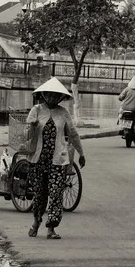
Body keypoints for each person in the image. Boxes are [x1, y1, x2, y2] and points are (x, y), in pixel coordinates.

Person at [24, 77, 86, 240]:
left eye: (55, 96)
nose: (51, 98)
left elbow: (72, 133)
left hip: (58, 160)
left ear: (60, 98)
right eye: (49, 95)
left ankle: (51, 228)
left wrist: (81, 153)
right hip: (37, 160)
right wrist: (33, 126)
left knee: (56, 193)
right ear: (43, 95)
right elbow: (27, 134)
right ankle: (36, 221)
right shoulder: (36, 110)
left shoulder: (63, 113)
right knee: (40, 195)